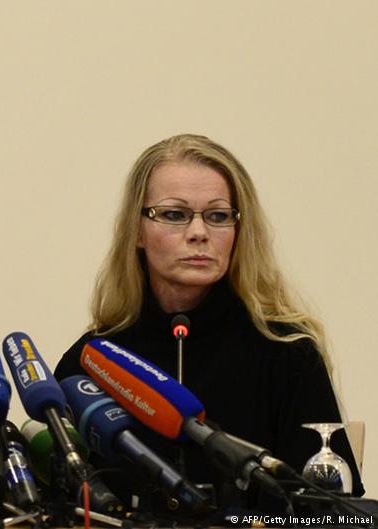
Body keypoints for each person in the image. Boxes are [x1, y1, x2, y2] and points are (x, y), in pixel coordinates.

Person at [54, 133, 364, 513]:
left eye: (218, 216)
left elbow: (331, 514)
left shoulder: (287, 352)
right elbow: (53, 503)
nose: (199, 233)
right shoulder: (93, 360)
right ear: (137, 231)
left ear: (238, 231)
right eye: (174, 214)